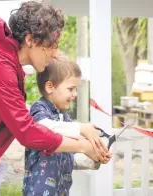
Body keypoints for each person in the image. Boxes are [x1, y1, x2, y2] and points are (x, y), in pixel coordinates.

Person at [23, 55, 111, 196]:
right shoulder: (39, 109)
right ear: (50, 87)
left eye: (76, 89)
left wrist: (93, 158)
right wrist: (80, 128)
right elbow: (43, 128)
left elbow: (68, 157)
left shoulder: (64, 117)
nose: (75, 94)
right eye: (71, 89)